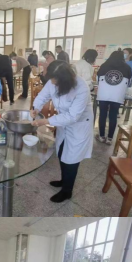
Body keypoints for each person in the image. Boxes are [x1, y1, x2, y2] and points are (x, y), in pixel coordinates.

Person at [31, 61, 93, 203]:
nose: (52, 83)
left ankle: (67, 191)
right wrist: (36, 108)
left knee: (72, 159)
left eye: (55, 81)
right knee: (62, 152)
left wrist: (46, 121)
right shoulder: (53, 80)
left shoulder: (81, 88)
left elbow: (72, 117)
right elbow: (43, 96)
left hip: (79, 125)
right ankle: (64, 180)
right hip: (63, 122)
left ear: (64, 80)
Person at [95, 50, 132, 144]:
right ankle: (110, 138)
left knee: (102, 114)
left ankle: (101, 136)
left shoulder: (104, 65)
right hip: (117, 95)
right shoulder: (127, 67)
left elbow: (98, 79)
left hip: (103, 94)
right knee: (113, 115)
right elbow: (129, 83)